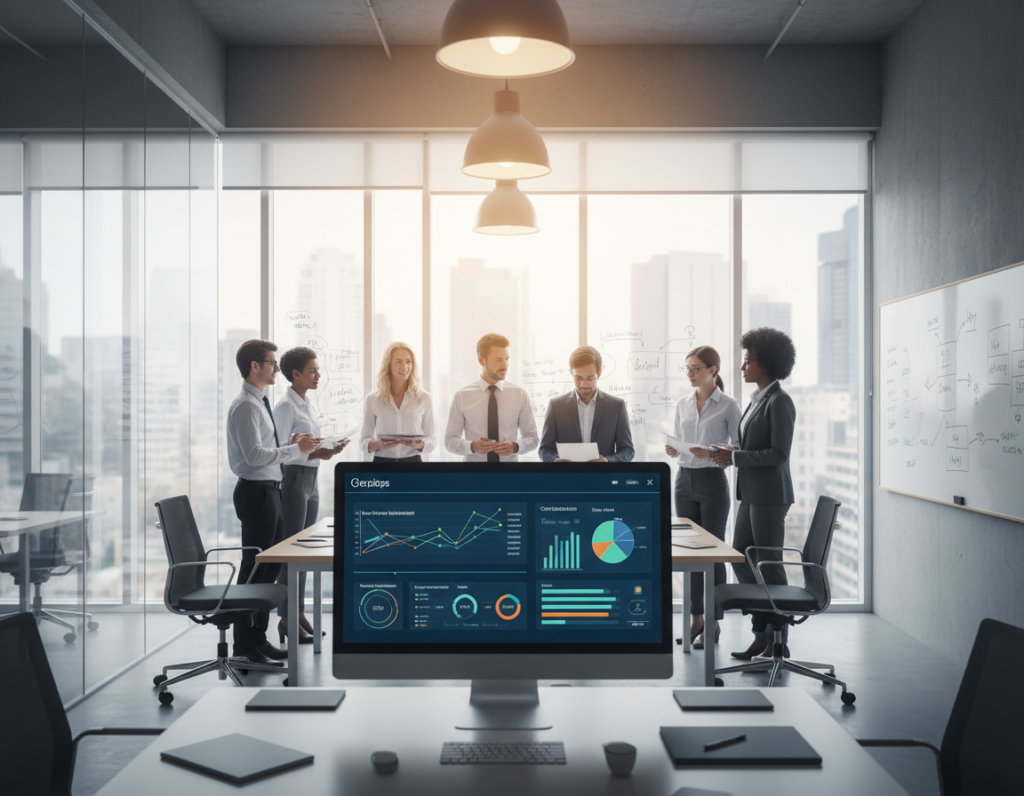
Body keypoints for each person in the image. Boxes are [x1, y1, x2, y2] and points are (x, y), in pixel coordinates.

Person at [226, 339, 320, 665]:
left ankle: (258, 640)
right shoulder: (246, 406)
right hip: (256, 492)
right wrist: (297, 450)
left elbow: (268, 447)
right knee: (254, 572)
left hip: (270, 489)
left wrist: (297, 445)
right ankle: (244, 647)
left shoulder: (260, 402)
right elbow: (253, 457)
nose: (276, 368)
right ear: (255, 366)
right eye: (271, 362)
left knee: (268, 570)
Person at [710, 327, 797, 661]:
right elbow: (753, 447)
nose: (743, 367)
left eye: (748, 362)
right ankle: (766, 626)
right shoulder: (758, 400)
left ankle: (776, 640)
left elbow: (779, 453)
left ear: (767, 363)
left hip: (770, 496)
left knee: (769, 565)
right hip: (751, 493)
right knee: (740, 557)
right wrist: (728, 451)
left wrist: (735, 457)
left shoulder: (780, 401)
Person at [664, 345, 740, 650]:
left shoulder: (729, 405)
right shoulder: (682, 403)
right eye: (688, 369)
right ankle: (696, 618)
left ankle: (714, 622)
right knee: (689, 553)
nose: (690, 374)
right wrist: (674, 448)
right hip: (683, 480)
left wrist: (714, 451)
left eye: (696, 368)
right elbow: (677, 439)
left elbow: (738, 448)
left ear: (713, 370)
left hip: (712, 482)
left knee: (713, 552)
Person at [273, 346, 346, 644]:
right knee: (291, 551)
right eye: (313, 370)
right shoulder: (285, 407)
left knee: (303, 551)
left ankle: (297, 613)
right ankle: (286, 618)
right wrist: (313, 452)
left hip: (312, 478)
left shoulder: (307, 404)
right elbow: (280, 450)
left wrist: (324, 450)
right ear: (296, 374)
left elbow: (305, 446)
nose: (319, 375)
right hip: (293, 479)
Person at [445, 333, 539, 462]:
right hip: (474, 476)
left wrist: (515, 446)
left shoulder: (520, 394)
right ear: (481, 360)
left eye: (507, 359)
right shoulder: (462, 396)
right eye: (498, 360)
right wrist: (471, 446)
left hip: (509, 476)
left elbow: (532, 437)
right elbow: (449, 441)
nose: (505, 365)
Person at [539, 345, 634, 463]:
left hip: (602, 479)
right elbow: (544, 449)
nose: (583, 385)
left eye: (589, 378)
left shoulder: (616, 406)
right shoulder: (556, 406)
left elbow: (627, 450)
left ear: (599, 374)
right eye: (578, 378)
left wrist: (607, 462)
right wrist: (554, 461)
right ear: (571, 373)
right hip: (567, 478)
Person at [360, 342, 436, 463]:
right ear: (388, 365)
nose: (405, 367)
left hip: (413, 463)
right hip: (381, 463)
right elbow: (363, 441)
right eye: (398, 361)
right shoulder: (373, 399)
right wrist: (378, 444)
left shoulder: (424, 398)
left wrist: (421, 444)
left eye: (408, 361)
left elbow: (432, 439)